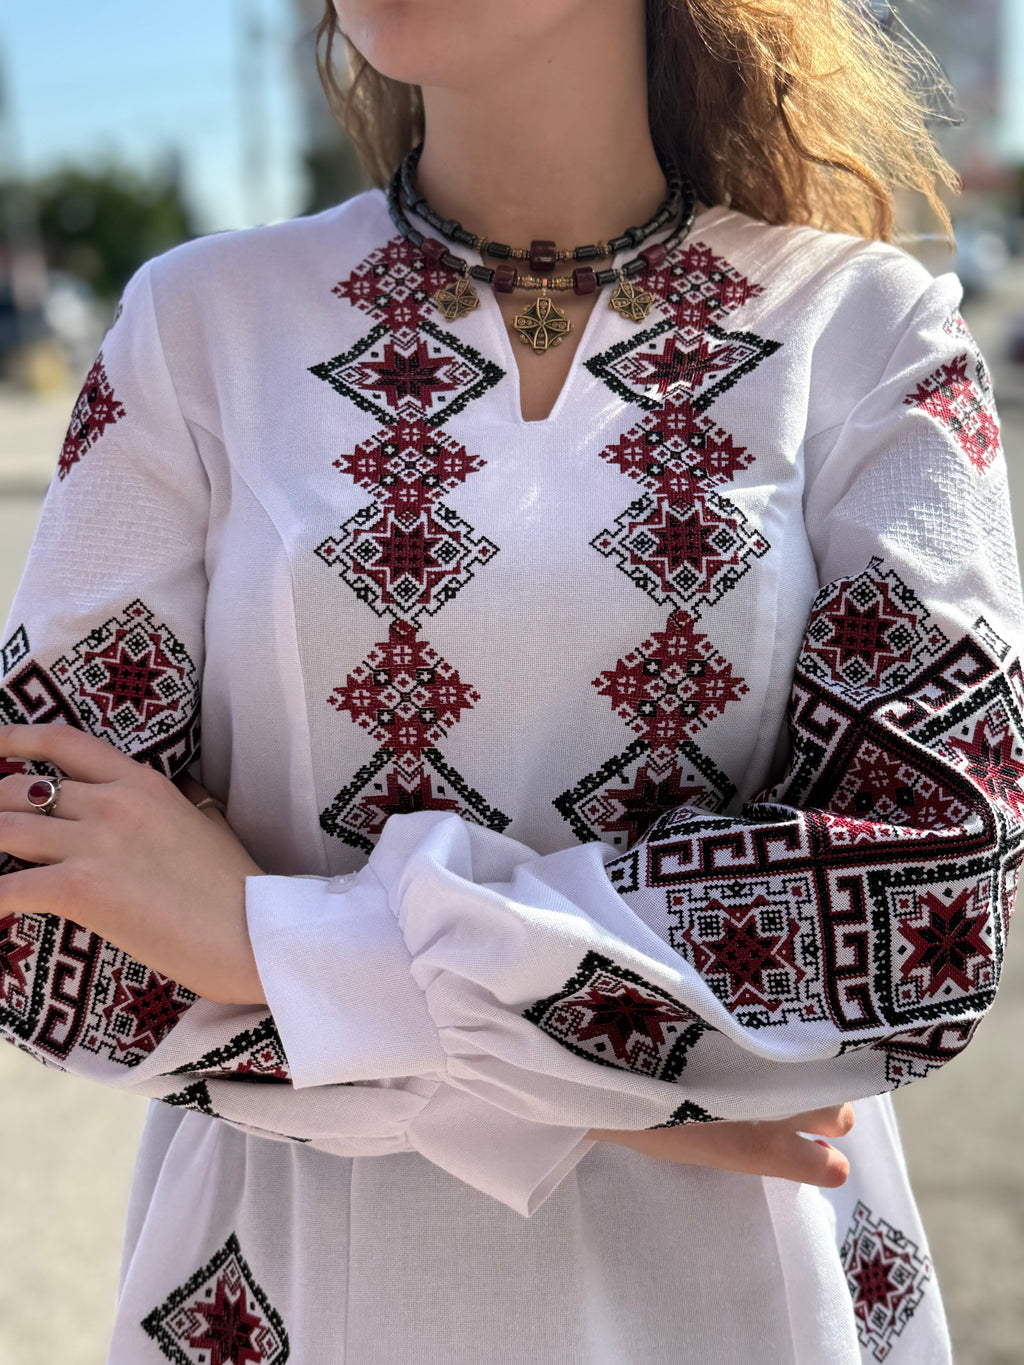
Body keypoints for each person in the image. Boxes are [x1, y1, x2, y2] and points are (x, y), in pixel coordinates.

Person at [0, 0, 1020, 1360]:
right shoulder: (198, 331)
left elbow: (925, 902)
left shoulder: (865, 335)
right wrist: (648, 1074)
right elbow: (46, 910)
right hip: (283, 1296)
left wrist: (267, 942)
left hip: (736, 1304)